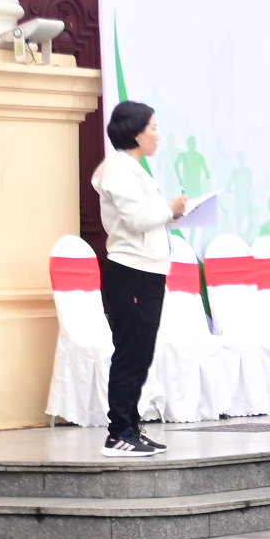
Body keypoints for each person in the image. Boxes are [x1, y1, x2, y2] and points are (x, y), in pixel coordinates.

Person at [92, 100, 188, 457]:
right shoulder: (118, 170)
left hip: (146, 270)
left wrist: (174, 214)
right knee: (131, 352)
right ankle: (118, 432)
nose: (157, 135)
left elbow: (147, 217)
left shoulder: (133, 168)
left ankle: (131, 426)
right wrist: (170, 209)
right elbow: (136, 219)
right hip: (131, 271)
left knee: (141, 352)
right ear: (134, 131)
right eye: (153, 128)